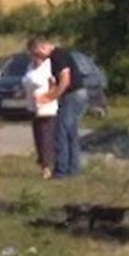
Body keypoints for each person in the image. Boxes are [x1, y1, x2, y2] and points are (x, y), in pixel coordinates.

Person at [32, 36, 88, 178]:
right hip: (78, 94)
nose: (38, 57)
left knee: (60, 132)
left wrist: (50, 97)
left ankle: (61, 170)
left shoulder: (57, 55)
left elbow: (65, 79)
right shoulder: (58, 56)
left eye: (37, 53)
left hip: (72, 95)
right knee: (71, 133)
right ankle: (73, 168)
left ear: (42, 47)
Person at [22, 38, 58, 179]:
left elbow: (54, 85)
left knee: (45, 137)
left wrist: (47, 97)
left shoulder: (48, 67)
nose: (34, 57)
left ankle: (48, 166)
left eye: (36, 54)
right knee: (38, 137)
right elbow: (26, 81)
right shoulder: (30, 67)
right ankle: (43, 164)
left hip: (46, 107)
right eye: (32, 55)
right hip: (33, 106)